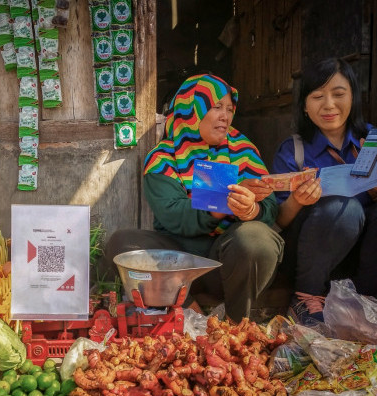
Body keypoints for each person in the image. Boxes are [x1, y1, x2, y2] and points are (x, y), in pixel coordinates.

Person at [105, 74, 284, 323]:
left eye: (230, 109)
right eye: (216, 107)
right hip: (177, 265)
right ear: (191, 109)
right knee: (123, 243)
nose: (225, 116)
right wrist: (223, 203)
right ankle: (190, 311)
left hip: (229, 263)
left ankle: (236, 325)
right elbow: (174, 215)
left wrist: (251, 210)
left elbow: (270, 208)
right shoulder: (163, 158)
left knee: (256, 238)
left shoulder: (243, 150)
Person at [271, 57, 377, 325]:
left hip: (366, 262)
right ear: (305, 107)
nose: (329, 105)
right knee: (343, 208)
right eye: (317, 96)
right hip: (313, 259)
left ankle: (359, 298)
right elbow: (279, 221)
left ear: (354, 97)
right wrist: (299, 200)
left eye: (338, 94)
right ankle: (305, 297)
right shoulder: (294, 151)